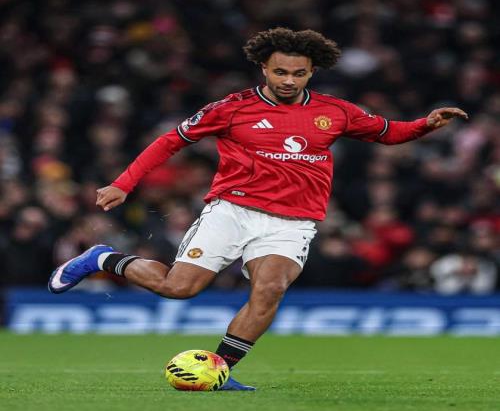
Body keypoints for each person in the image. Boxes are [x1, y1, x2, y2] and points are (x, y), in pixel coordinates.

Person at [48, 27, 468, 390]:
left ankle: (220, 370)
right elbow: (170, 141)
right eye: (280, 72)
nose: (289, 80)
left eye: (298, 73)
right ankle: (101, 258)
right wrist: (123, 183)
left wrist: (425, 125)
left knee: (270, 289)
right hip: (232, 211)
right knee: (180, 289)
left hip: (293, 222)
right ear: (264, 68)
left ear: (312, 72)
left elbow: (387, 132)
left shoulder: (335, 111)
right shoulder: (231, 108)